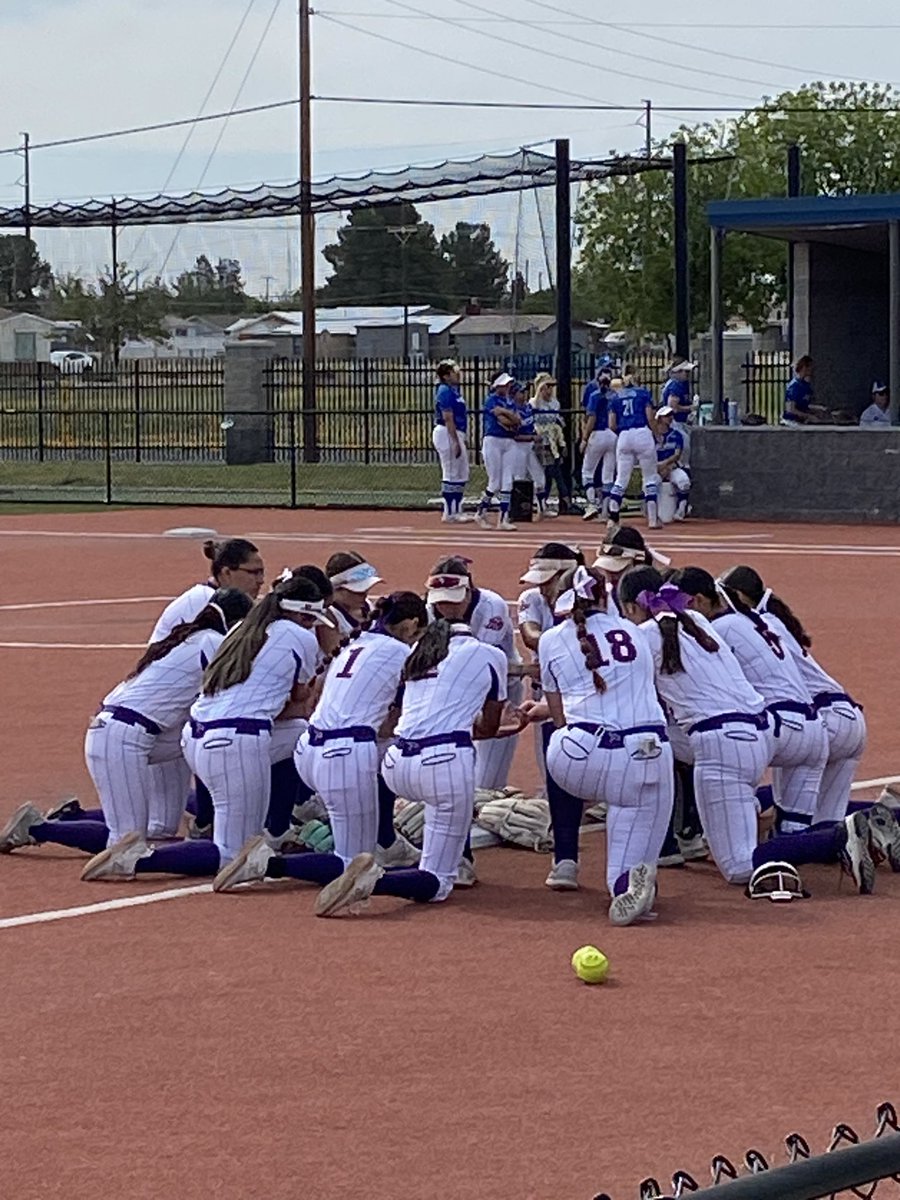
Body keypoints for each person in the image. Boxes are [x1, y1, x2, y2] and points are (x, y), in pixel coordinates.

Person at [79, 573, 330, 882]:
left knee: (295, 735)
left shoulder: (234, 632)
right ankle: (133, 859)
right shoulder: (285, 636)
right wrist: (326, 661)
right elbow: (298, 701)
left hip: (187, 735)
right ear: (301, 612)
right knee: (232, 854)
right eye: (311, 618)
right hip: (211, 737)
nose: (312, 626)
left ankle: (274, 824)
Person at [273, 615, 521, 918]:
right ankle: (374, 880)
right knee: (439, 881)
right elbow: (487, 726)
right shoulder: (489, 654)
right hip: (442, 764)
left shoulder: (417, 654)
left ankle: (384, 837)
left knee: (365, 757)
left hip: (395, 762)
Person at [0, 589, 253, 857]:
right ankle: (38, 828)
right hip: (120, 734)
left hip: (141, 731)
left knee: (162, 826)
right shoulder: (212, 642)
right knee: (127, 842)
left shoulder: (194, 637)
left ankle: (74, 817)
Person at [211, 591, 429, 892]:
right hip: (343, 753)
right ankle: (267, 863)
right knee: (354, 862)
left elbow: (319, 699)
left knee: (381, 758)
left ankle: (385, 839)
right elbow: (396, 722)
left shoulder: (354, 643)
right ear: (411, 625)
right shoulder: (401, 653)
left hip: (310, 748)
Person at [525, 566, 673, 924]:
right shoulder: (637, 634)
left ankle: (591, 870)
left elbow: (558, 715)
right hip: (651, 751)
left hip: (580, 755)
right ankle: (630, 879)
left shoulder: (550, 639)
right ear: (605, 597)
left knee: (560, 738)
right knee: (634, 815)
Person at [616, 567, 771, 886]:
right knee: (657, 742)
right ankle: (691, 826)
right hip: (758, 734)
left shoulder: (644, 636)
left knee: (739, 867)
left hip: (719, 741)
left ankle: (833, 839)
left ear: (632, 608)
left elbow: (622, 694)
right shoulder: (696, 619)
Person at [670, 567, 828, 831]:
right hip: (815, 728)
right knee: (797, 828)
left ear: (697, 600)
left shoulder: (715, 628)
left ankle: (694, 826)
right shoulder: (756, 619)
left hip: (778, 727)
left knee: (685, 740)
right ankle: (853, 831)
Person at [718, 565, 868, 829]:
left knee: (791, 821)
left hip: (815, 721)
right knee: (827, 827)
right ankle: (888, 814)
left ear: (739, 597)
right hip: (850, 718)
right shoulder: (770, 620)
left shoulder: (746, 625)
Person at [517, 543, 588, 888]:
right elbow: (530, 634)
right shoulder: (533, 599)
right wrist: (555, 645)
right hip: (551, 696)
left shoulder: (597, 601)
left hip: (590, 698)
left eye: (550, 579)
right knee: (559, 777)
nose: (543, 586)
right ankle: (565, 857)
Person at [424, 556, 523, 804]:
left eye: (452, 599)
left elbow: (478, 666)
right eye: (440, 600)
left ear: (468, 591)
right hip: (450, 694)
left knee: (487, 784)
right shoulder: (429, 609)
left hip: (498, 692)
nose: (445, 607)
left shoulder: (491, 607)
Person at [149, 538, 264, 643]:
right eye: (254, 573)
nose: (261, 580)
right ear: (227, 573)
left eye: (262, 572)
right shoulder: (203, 600)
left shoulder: (221, 599)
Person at [606, 372, 661, 531]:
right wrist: (656, 434)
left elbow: (611, 424)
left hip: (624, 435)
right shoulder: (643, 394)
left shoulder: (616, 398)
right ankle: (652, 519)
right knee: (649, 477)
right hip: (642, 432)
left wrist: (622, 433)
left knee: (621, 479)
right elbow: (650, 417)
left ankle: (613, 517)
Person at [476, 371, 521, 530]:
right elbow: (503, 422)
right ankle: (481, 511)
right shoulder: (491, 400)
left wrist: (505, 412)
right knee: (494, 481)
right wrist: (508, 416)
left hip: (509, 441)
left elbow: (516, 420)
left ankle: (503, 518)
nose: (508, 387)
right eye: (505, 384)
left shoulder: (509, 402)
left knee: (508, 480)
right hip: (494, 440)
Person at [432, 359, 474, 523]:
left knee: (461, 471)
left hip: (457, 432)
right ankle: (450, 511)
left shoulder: (454, 390)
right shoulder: (444, 391)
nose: (458, 375)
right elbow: (448, 418)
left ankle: (457, 508)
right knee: (451, 470)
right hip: (447, 433)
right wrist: (455, 441)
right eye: (453, 372)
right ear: (446, 375)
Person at [529, 372, 571, 515]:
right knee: (547, 472)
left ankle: (553, 499)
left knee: (552, 471)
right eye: (547, 386)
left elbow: (556, 421)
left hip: (552, 443)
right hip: (540, 443)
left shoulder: (555, 403)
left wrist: (561, 442)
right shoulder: (534, 403)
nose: (550, 390)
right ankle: (547, 500)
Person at [580, 368, 617, 522]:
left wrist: (584, 438)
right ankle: (606, 510)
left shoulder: (595, 396)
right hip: (612, 434)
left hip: (598, 433)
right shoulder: (614, 395)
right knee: (608, 474)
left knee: (587, 471)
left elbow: (591, 418)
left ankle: (592, 504)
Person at [510, 380, 548, 518]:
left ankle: (542, 508)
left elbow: (532, 427)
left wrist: (535, 435)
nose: (524, 394)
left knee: (540, 477)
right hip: (517, 447)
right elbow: (514, 436)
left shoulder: (527, 407)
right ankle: (517, 509)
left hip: (528, 447)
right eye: (521, 392)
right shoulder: (512, 409)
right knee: (519, 478)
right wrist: (532, 438)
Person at [654, 406, 691, 523]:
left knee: (684, 482)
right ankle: (651, 512)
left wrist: (665, 465)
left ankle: (681, 510)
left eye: (671, 415)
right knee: (650, 485)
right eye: (666, 416)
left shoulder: (676, 435)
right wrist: (657, 467)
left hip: (671, 467)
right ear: (659, 418)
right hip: (655, 467)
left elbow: (677, 454)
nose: (670, 418)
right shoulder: (650, 436)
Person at [660, 360, 696, 465]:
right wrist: (691, 408)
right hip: (675, 422)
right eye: (686, 372)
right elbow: (673, 407)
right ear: (678, 372)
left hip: (678, 422)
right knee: (684, 447)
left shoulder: (675, 384)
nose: (688, 375)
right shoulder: (675, 386)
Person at [782, 355, 817, 426]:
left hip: (801, 421)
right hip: (791, 422)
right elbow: (790, 409)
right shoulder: (794, 386)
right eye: (810, 368)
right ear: (804, 368)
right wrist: (808, 416)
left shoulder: (806, 386)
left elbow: (804, 405)